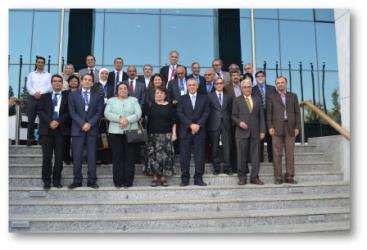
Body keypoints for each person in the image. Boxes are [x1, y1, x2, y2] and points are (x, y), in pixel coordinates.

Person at [68, 74, 104, 189]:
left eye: (90, 80)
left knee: (92, 156)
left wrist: (90, 123)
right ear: (81, 82)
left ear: (92, 83)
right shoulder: (72, 95)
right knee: (77, 156)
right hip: (77, 129)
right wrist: (82, 124)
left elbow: (99, 113)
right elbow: (72, 112)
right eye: (85, 80)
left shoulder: (98, 96)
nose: (88, 82)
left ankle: (92, 181)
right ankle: (77, 180)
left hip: (92, 130)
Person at [104, 83, 142, 188]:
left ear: (128, 90)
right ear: (117, 90)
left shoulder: (133, 100)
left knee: (130, 158)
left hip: (131, 133)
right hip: (115, 133)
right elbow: (107, 113)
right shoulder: (111, 100)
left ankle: (128, 182)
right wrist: (120, 118)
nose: (123, 90)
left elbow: (138, 113)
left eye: (125, 88)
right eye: (121, 88)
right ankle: (118, 182)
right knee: (117, 157)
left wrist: (127, 120)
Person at [37, 74, 70, 189]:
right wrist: (50, 121)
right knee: (47, 157)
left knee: (59, 157)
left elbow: (69, 112)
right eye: (54, 81)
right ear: (51, 83)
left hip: (61, 131)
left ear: (62, 83)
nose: (57, 83)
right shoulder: (44, 97)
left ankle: (56, 180)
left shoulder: (67, 96)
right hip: (47, 130)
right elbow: (40, 111)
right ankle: (46, 181)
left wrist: (58, 121)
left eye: (59, 81)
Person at [267, 76, 301, 184]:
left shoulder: (293, 96)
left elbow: (297, 113)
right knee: (277, 153)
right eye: (278, 83)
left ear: (286, 83)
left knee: (290, 153)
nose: (280, 84)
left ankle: (289, 176)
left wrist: (297, 127)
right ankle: (278, 177)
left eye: (282, 82)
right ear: (276, 85)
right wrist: (270, 127)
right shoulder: (271, 96)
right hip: (276, 128)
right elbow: (269, 113)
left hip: (290, 127)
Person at [232, 78, 265, 185]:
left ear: (251, 87)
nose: (247, 89)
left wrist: (262, 131)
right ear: (241, 88)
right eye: (244, 87)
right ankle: (242, 177)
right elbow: (233, 116)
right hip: (241, 132)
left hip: (255, 132)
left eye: (249, 87)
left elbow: (261, 117)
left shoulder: (257, 99)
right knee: (241, 156)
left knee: (255, 156)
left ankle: (254, 177)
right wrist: (239, 122)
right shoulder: (237, 100)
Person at [177, 78, 210, 186]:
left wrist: (198, 125)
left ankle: (198, 178)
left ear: (197, 86)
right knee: (184, 156)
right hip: (185, 130)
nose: (191, 87)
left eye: (193, 85)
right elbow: (180, 113)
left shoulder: (204, 98)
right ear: (187, 86)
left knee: (199, 155)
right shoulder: (181, 99)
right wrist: (190, 125)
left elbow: (206, 112)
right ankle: (185, 178)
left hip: (200, 130)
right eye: (189, 85)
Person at [146, 87, 177, 187]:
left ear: (165, 95)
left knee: (166, 157)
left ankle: (163, 178)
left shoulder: (170, 106)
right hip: (152, 136)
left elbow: (174, 121)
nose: (159, 95)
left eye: (161, 93)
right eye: (157, 93)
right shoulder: (150, 105)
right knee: (153, 156)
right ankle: (155, 177)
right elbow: (146, 120)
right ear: (154, 95)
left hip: (166, 135)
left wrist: (174, 133)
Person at [207, 78, 233, 175]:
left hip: (226, 124)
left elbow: (231, 111)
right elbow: (207, 111)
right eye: (217, 83)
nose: (219, 85)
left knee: (227, 146)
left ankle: (227, 167)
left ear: (223, 85)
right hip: (214, 124)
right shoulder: (209, 96)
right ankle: (216, 168)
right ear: (214, 85)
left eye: (221, 83)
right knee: (214, 147)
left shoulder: (229, 97)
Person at [26, 56, 52, 146]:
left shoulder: (48, 75)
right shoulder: (31, 74)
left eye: (42, 62)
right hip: (32, 98)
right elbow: (28, 86)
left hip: (44, 98)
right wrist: (34, 93)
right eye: (39, 62)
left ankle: (42, 139)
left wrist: (41, 93)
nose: (40, 64)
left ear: (44, 64)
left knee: (43, 120)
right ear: (36, 63)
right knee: (31, 119)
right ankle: (30, 138)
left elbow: (49, 86)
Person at [252, 70, 276, 162]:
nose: (260, 78)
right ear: (256, 78)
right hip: (258, 118)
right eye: (258, 76)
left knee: (271, 139)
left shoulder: (272, 88)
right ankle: (260, 160)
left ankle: (272, 159)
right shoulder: (253, 89)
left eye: (262, 76)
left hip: (270, 117)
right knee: (259, 140)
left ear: (265, 77)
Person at [223, 70, 243, 174]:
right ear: (230, 77)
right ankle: (233, 166)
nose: (235, 77)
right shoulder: (226, 88)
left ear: (240, 76)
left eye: (237, 75)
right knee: (232, 144)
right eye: (233, 75)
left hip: (244, 121)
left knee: (242, 144)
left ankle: (243, 166)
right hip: (231, 121)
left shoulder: (244, 86)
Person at [93, 68, 114, 165]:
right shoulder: (94, 86)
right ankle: (98, 158)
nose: (104, 75)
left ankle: (107, 159)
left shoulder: (111, 86)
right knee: (98, 136)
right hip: (97, 114)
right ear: (99, 74)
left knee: (109, 136)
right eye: (103, 73)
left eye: (106, 73)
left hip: (109, 114)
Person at [63, 75, 80, 165]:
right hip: (66, 120)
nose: (73, 82)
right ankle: (66, 157)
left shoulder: (81, 93)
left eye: (75, 81)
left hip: (78, 120)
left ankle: (75, 157)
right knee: (66, 140)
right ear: (69, 83)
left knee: (76, 141)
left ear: (78, 83)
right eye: (72, 81)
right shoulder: (64, 93)